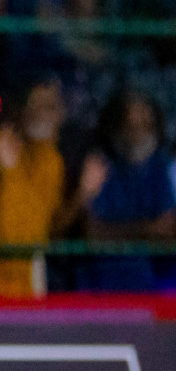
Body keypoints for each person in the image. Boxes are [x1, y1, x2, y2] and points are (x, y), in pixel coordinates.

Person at [0, 78, 77, 299]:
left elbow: (49, 229)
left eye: (53, 106)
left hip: (27, 283)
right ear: (17, 109)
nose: (50, 114)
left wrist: (81, 196)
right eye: (40, 105)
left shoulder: (51, 161)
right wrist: (7, 173)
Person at [74, 92, 176, 291]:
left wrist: (121, 232)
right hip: (100, 285)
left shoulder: (160, 167)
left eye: (144, 124)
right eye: (129, 124)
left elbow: (168, 231)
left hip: (149, 285)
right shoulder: (99, 166)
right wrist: (146, 230)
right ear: (115, 127)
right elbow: (92, 234)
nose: (137, 132)